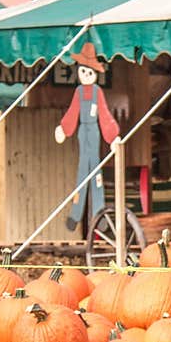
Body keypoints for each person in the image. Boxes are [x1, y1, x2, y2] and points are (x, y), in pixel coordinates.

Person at [54, 42, 120, 232]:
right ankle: (76, 214)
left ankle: (99, 215)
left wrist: (113, 136)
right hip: (83, 132)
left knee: (96, 174)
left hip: (95, 131)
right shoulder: (79, 92)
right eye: (83, 71)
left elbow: (105, 114)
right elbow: (73, 112)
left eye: (90, 72)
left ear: (95, 74)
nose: (86, 75)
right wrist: (64, 129)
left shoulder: (98, 92)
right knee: (82, 174)